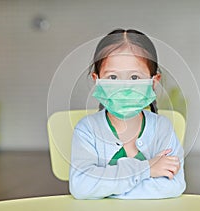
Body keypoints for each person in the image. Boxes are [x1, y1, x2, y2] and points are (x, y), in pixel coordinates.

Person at [69, 29, 186, 199]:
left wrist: (105, 188)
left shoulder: (162, 128)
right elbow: (81, 186)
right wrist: (147, 168)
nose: (124, 88)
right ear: (97, 80)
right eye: (113, 78)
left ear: (154, 81)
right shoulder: (87, 129)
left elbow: (173, 185)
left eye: (134, 77)